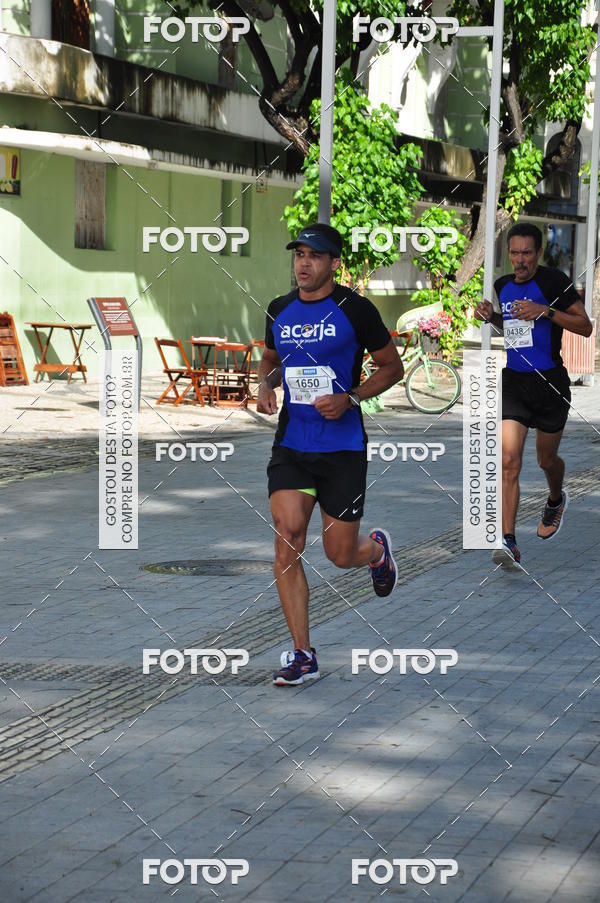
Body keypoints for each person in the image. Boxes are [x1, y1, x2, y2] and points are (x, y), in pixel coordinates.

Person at [256, 223, 404, 685]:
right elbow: (270, 357)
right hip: (293, 445)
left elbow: (392, 367)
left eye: (314, 256)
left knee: (340, 555)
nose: (304, 263)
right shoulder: (279, 309)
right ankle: (303, 654)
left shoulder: (355, 309)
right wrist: (265, 383)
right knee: (288, 537)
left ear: (334, 263)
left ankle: (376, 553)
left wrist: (351, 397)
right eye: (299, 254)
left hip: (342, 448)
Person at [475, 223, 592, 566]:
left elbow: (585, 327)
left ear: (538, 253)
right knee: (508, 461)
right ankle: (507, 540)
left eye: (527, 253)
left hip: (550, 382)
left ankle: (556, 498)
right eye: (514, 252)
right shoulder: (502, 285)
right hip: (514, 382)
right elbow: (509, 328)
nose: (520, 259)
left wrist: (545, 311)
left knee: (546, 461)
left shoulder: (554, 282)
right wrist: (491, 317)